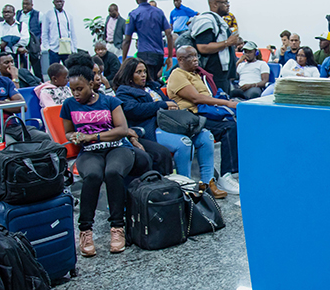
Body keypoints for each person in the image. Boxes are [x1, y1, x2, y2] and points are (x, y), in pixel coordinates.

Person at [61, 61, 147, 256]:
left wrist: (92, 136)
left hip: (117, 147)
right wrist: (73, 137)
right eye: (72, 89)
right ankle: (85, 230)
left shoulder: (110, 101)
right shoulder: (69, 105)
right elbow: (67, 132)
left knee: (113, 172)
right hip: (90, 152)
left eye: (80, 89)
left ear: (91, 84)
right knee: (92, 175)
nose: (75, 94)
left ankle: (117, 227)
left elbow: (122, 130)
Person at [115, 57, 222, 193]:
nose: (143, 75)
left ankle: (208, 184)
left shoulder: (153, 87)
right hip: (152, 128)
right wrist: (162, 105)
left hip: (171, 123)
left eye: (144, 71)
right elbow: (134, 110)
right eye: (138, 72)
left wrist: (171, 106)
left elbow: (169, 102)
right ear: (129, 75)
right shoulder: (124, 92)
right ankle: (185, 188)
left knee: (206, 137)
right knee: (184, 143)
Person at [167, 45, 239, 194]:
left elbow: (210, 97)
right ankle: (226, 176)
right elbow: (196, 98)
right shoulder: (178, 74)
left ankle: (236, 171)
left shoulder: (196, 75)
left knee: (238, 122)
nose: (195, 59)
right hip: (190, 118)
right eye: (190, 56)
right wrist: (227, 103)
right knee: (228, 128)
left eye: (195, 55)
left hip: (203, 115)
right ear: (180, 59)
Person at [122, 0, 173, 84]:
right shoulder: (159, 12)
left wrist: (124, 60)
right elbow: (169, 34)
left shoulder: (134, 14)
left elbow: (127, 40)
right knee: (153, 81)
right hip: (159, 55)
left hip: (144, 55)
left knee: (145, 83)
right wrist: (170, 56)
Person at [188, 0, 239, 92]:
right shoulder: (206, 21)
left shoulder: (219, 21)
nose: (228, 5)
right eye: (224, 3)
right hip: (213, 73)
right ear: (215, 4)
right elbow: (202, 47)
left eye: (228, 2)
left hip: (223, 74)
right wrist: (227, 42)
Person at [41, 0, 78, 65]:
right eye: (57, 1)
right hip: (54, 49)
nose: (59, 3)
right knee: (54, 71)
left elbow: (72, 32)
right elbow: (45, 32)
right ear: (53, 2)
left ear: (64, 2)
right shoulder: (48, 15)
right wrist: (47, 48)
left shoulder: (68, 15)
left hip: (67, 48)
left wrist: (74, 48)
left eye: (60, 1)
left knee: (68, 70)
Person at [16, 0, 42, 80]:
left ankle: (39, 81)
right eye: (23, 4)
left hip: (33, 43)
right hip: (22, 42)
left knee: (36, 65)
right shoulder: (18, 14)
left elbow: (42, 29)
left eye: (27, 4)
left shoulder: (38, 14)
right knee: (23, 64)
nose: (25, 6)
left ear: (32, 5)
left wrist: (39, 42)